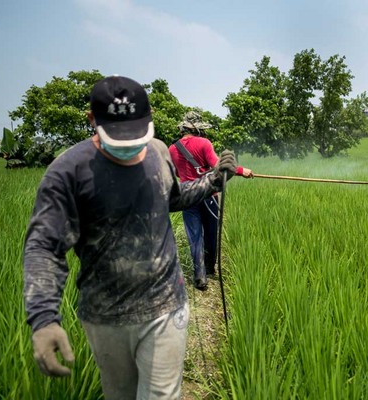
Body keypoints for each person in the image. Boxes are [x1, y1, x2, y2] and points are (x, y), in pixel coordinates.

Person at [23, 75, 237, 399]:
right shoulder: (67, 171)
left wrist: (213, 180)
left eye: (137, 135)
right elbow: (43, 246)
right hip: (105, 314)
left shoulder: (160, 151)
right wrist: (43, 318)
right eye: (119, 137)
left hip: (165, 303)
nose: (131, 147)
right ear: (92, 121)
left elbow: (174, 198)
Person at [168, 111, 253, 290]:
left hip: (187, 197)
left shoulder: (172, 148)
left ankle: (200, 275)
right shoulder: (204, 143)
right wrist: (241, 170)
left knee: (194, 237)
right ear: (197, 128)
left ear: (183, 128)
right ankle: (210, 267)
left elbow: (176, 173)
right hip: (208, 196)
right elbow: (218, 166)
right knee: (211, 233)